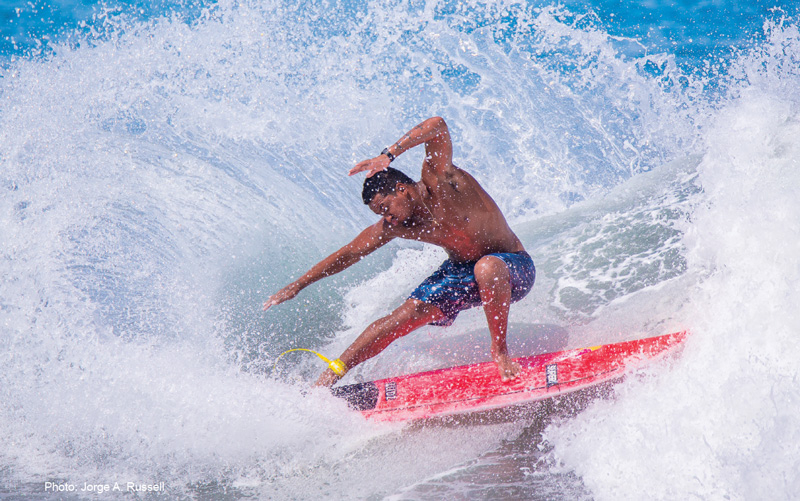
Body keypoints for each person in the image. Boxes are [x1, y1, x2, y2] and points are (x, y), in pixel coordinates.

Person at [263, 117, 535, 386]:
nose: (388, 219)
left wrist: (388, 155)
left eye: (385, 208)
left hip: (513, 269)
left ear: (401, 189)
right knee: (398, 319)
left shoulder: (440, 180)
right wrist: (298, 285)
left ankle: (500, 352)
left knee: (486, 267)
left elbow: (437, 126)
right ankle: (329, 377)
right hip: (463, 273)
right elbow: (349, 254)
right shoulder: (399, 227)